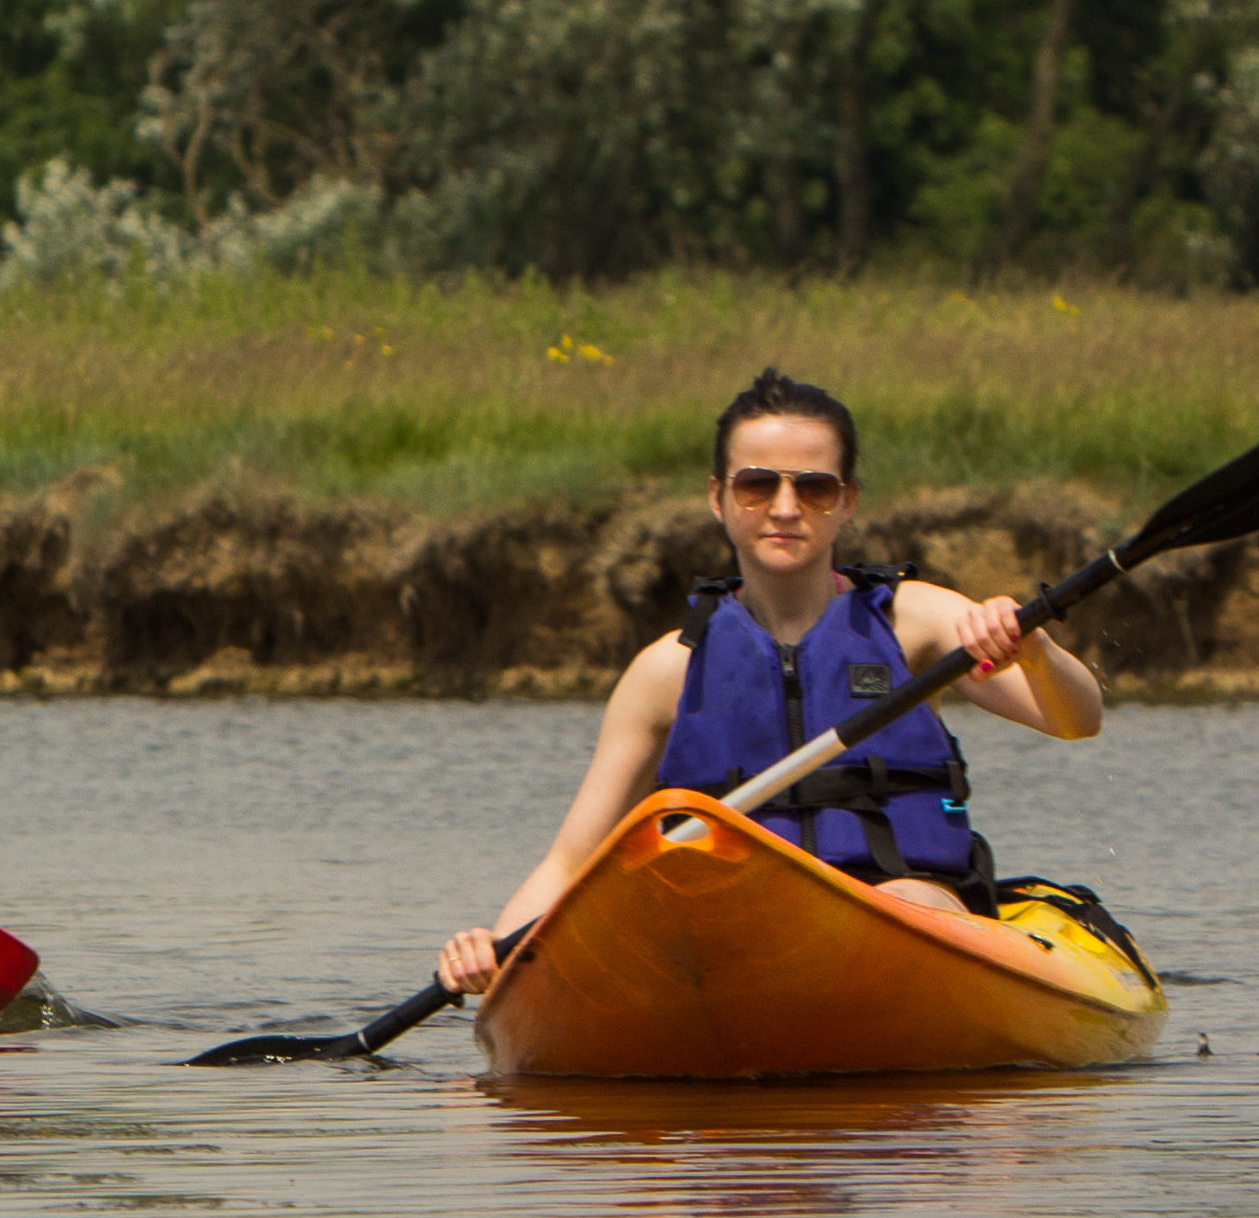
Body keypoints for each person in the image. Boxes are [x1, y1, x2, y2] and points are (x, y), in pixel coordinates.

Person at [435, 368, 1107, 996]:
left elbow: (1078, 718)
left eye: (813, 487)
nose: (785, 508)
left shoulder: (917, 621)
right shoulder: (668, 669)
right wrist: (492, 950)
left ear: (846, 503)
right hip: (733, 926)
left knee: (914, 901)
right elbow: (569, 862)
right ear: (718, 499)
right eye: (757, 485)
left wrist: (1037, 651)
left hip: (899, 907)